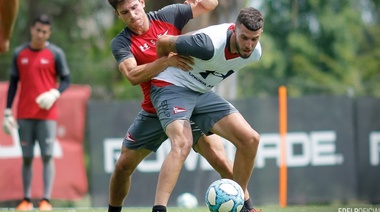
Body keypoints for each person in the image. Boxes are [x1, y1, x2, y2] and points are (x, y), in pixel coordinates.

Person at [106, 0, 256, 212]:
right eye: (125, 12)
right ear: (117, 15)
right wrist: (165, 61)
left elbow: (210, 5)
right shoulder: (121, 42)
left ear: (142, 2)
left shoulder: (168, 15)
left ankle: (247, 208)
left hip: (188, 98)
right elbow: (132, 75)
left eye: (134, 7)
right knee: (123, 166)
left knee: (221, 160)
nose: (132, 15)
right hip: (154, 109)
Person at [151, 7, 264, 212]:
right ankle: (159, 209)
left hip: (201, 93)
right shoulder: (208, 44)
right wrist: (164, 65)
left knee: (250, 140)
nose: (248, 45)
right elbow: (162, 42)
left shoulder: (255, 53)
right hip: (171, 87)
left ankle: (242, 206)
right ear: (234, 29)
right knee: (182, 143)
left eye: (254, 39)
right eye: (244, 37)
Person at [2, 14, 71, 211]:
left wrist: (55, 92)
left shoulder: (55, 54)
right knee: (27, 157)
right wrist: (8, 111)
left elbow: (66, 79)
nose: (40, 34)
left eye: (44, 32)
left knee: (47, 155)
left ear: (48, 33)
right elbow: (14, 84)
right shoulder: (19, 53)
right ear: (32, 29)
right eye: (38, 30)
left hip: (47, 115)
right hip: (24, 114)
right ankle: (26, 199)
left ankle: (46, 200)